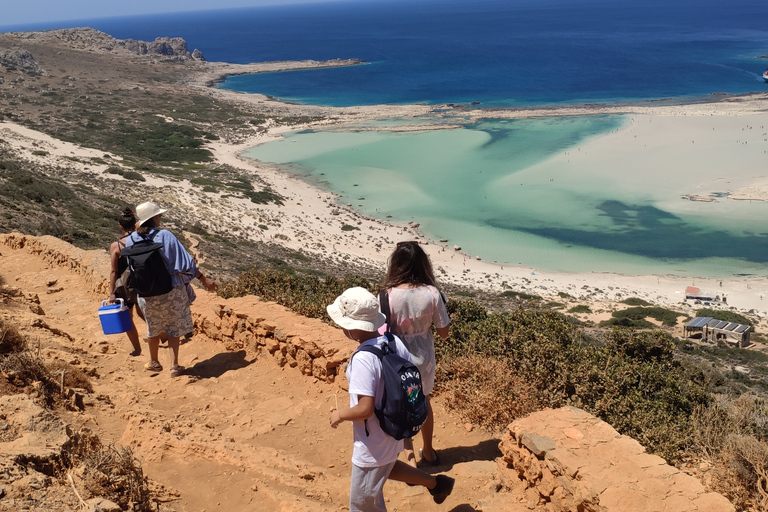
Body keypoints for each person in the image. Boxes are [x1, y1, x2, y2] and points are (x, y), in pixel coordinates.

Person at [327, 287, 455, 511]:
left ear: (352, 328)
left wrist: (339, 414)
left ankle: (436, 484)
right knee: (386, 467)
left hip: (373, 440)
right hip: (392, 430)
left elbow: (365, 409)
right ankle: (436, 484)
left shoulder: (362, 360)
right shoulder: (393, 341)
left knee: (364, 503)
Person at [124, 202, 217, 377]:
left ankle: (154, 362)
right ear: (154, 218)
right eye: (159, 215)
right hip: (171, 289)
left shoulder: (131, 239)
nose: (161, 218)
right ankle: (174, 366)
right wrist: (202, 278)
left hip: (145, 291)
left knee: (153, 327)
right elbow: (185, 264)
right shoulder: (164, 235)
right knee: (174, 327)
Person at [381, 241, 449, 467]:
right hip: (424, 359)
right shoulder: (432, 293)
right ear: (423, 264)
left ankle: (409, 457)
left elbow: (380, 330)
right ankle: (428, 451)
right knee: (424, 401)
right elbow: (444, 333)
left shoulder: (387, 295)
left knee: (404, 404)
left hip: (397, 359)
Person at [108, 207, 144, 357]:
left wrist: (111, 293)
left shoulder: (116, 246)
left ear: (120, 227)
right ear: (135, 224)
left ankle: (137, 348)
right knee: (146, 313)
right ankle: (161, 336)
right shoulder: (144, 240)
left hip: (125, 288)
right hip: (143, 283)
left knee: (128, 318)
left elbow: (114, 271)